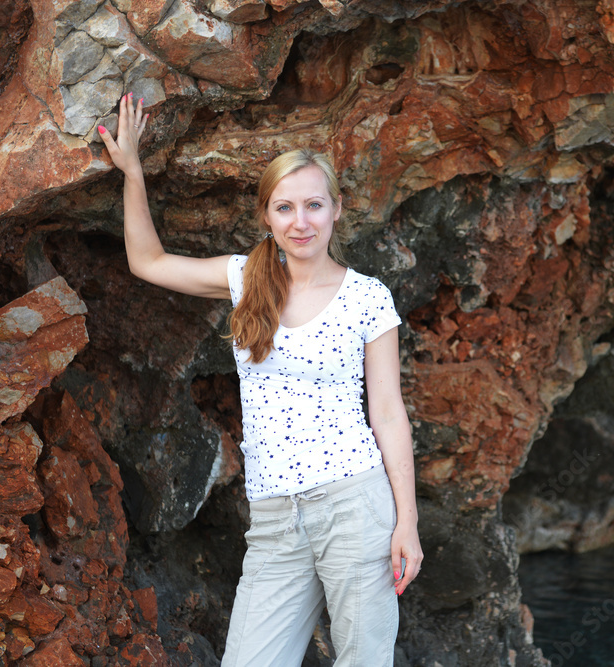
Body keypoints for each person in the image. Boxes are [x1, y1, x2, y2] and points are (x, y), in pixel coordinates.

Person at [98, 93, 423, 666]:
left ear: (337, 209)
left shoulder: (368, 298)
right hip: (274, 516)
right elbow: (147, 262)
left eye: (314, 205)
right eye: (285, 208)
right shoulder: (247, 279)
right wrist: (133, 173)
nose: (301, 222)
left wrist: (408, 523)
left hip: (355, 506)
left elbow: (389, 414)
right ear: (266, 217)